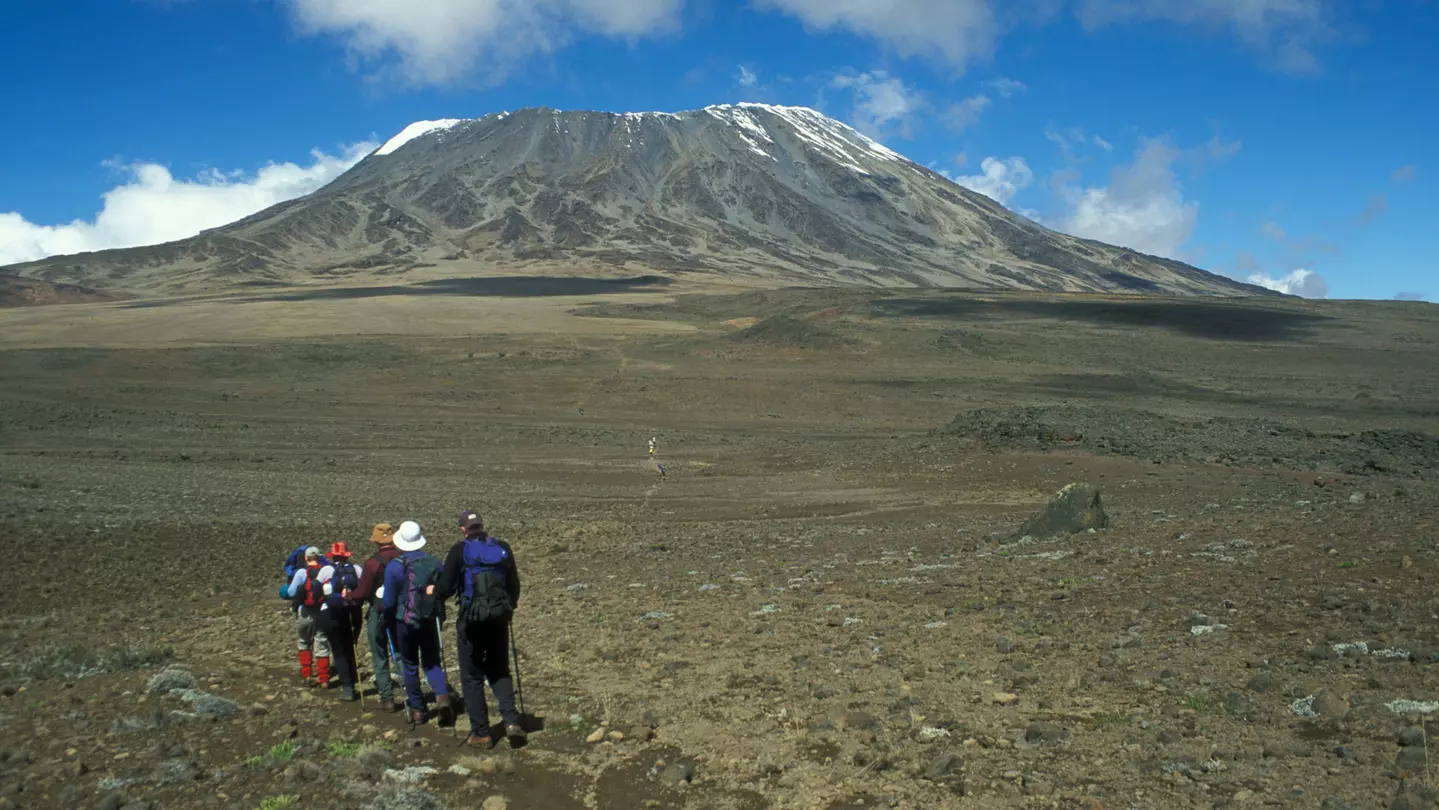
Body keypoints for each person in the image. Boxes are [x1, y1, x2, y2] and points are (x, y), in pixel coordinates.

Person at [437, 508, 525, 748]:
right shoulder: (502, 547)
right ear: (483, 526)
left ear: (463, 529)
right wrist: (508, 609)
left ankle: (482, 733)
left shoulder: (459, 551)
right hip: (498, 618)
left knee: (472, 674)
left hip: (471, 621)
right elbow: (514, 584)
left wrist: (433, 593)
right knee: (500, 669)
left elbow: (445, 587)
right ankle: (511, 722)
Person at [383, 520, 453, 727]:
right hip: (430, 619)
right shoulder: (435, 563)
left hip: (404, 622)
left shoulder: (394, 568)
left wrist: (388, 620)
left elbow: (389, 601)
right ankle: (442, 697)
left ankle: (417, 710)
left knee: (410, 664)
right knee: (432, 661)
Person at [346, 522, 402, 712]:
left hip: (377, 612)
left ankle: (387, 698)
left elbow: (362, 592)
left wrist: (348, 596)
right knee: (401, 655)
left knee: (379, 655)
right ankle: (412, 695)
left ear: (377, 542)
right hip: (399, 612)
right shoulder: (402, 559)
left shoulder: (372, 564)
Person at [316, 541, 364, 701]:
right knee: (350, 646)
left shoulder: (325, 570)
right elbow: (364, 590)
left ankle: (347, 687)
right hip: (352, 612)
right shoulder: (356, 569)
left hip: (332, 614)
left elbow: (316, 592)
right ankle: (353, 680)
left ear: (333, 556)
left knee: (338, 650)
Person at [285, 546, 332, 687]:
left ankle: (307, 675)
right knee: (322, 643)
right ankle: (324, 679)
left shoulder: (301, 572)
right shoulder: (325, 571)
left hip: (305, 611)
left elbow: (292, 592)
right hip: (322, 611)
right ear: (319, 557)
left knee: (304, 642)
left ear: (305, 558)